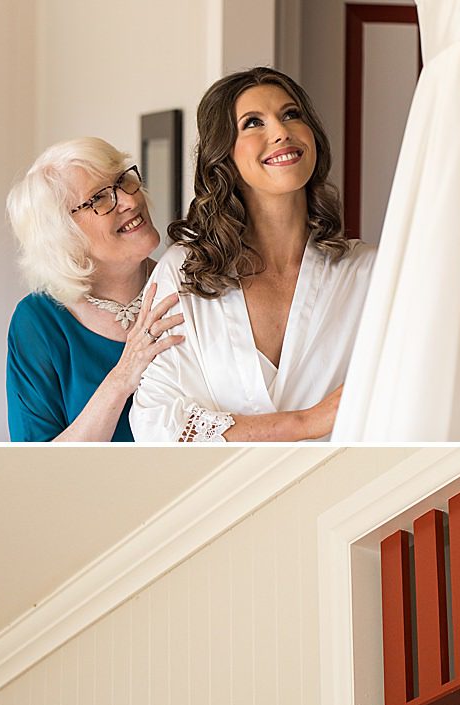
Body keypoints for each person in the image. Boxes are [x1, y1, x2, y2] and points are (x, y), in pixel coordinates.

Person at [132, 66, 375, 442]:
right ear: (224, 155)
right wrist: (305, 422)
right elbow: (156, 425)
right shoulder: (184, 274)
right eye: (253, 123)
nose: (281, 132)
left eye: (291, 114)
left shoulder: (370, 273)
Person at [3, 139, 186, 441]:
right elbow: (38, 463)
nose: (129, 200)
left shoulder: (191, 285)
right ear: (63, 235)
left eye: (123, 180)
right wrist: (123, 377)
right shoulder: (38, 322)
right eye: (99, 198)